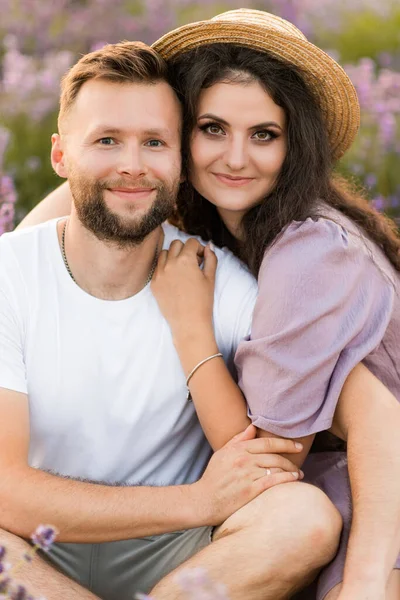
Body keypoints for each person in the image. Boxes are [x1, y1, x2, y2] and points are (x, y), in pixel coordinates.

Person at [14, 13, 400, 600]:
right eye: (213, 128)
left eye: (264, 134)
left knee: (305, 521)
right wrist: (134, 154)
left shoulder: (292, 260)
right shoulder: (207, 227)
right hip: (50, 537)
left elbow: (320, 435)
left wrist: (191, 329)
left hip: (345, 500)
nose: (236, 158)